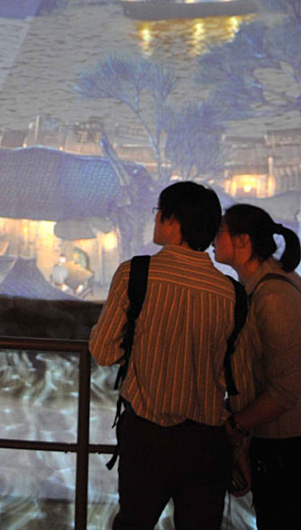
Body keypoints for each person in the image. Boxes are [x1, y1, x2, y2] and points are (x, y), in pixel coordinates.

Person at [90, 181, 250, 529]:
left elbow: (102, 351)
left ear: (173, 221)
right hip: (206, 441)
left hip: (147, 437)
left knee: (134, 523)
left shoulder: (135, 274)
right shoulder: (232, 294)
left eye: (159, 212)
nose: (156, 219)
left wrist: (141, 355)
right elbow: (234, 373)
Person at [213, 203, 301, 529]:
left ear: (242, 240)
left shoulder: (273, 298)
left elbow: (283, 392)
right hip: (294, 440)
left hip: (292, 445)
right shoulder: (272, 282)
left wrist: (234, 426)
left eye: (220, 231)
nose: (213, 238)